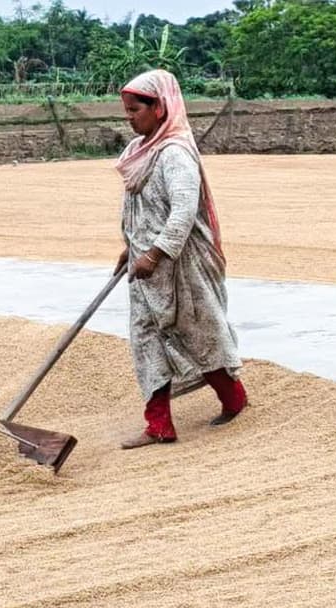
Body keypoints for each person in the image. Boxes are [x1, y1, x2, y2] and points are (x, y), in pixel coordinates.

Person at [112, 70, 248, 450]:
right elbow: (138, 209)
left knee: (199, 333)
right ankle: (159, 424)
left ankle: (234, 398)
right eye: (126, 110)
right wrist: (130, 247)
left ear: (160, 109)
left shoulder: (175, 154)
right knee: (145, 339)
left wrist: (155, 253)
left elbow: (184, 211)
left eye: (135, 109)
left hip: (181, 266)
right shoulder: (137, 153)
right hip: (145, 267)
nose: (129, 117)